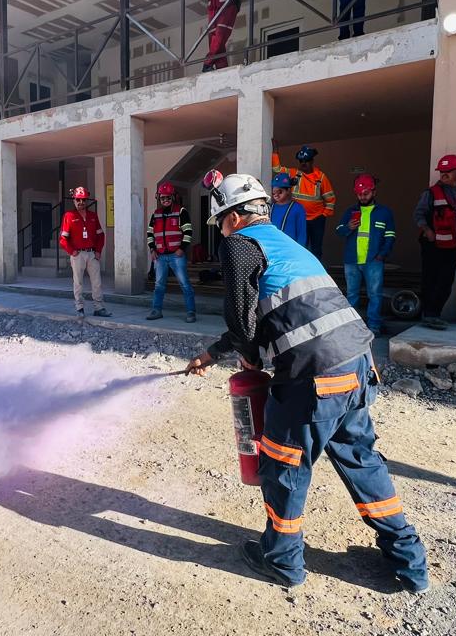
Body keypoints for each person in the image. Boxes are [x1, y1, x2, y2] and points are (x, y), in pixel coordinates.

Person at [184, 169, 429, 594]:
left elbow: (242, 322)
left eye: (220, 222)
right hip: (357, 365)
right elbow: (276, 312)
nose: (221, 230)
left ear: (234, 216)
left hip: (314, 379)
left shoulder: (239, 244)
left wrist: (248, 355)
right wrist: (212, 354)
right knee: (362, 460)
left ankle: (282, 561)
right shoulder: (285, 245)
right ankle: (410, 562)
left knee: (283, 466)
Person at [413, 154, 456, 330]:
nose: (444, 175)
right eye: (441, 171)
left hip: (453, 246)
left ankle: (434, 314)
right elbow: (418, 214)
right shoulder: (431, 193)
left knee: (446, 281)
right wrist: (427, 231)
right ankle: (429, 315)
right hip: (433, 245)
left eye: (448, 171)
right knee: (431, 279)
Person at [336, 174, 395, 334]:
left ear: (374, 192)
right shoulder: (350, 211)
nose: (362, 197)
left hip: (373, 260)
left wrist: (382, 255)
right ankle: (352, 327)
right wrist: (348, 227)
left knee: (375, 295)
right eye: (359, 194)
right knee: (352, 295)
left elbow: (390, 236)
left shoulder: (384, 212)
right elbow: (339, 231)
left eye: (366, 193)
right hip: (352, 260)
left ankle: (374, 326)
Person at [271, 145, 336, 259]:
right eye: (301, 161)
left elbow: (330, 199)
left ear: (312, 161)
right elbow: (277, 169)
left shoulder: (321, 177)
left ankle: (315, 269)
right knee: (300, 245)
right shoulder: (294, 173)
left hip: (316, 219)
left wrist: (324, 215)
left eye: (306, 160)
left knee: (316, 249)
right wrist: (275, 152)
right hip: (298, 217)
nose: (303, 163)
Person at [146, 182, 198, 323]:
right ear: (159, 198)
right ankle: (156, 310)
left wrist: (182, 248)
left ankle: (191, 312)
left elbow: (188, 232)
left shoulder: (181, 212)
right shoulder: (156, 214)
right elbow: (150, 233)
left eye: (168, 197)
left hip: (176, 255)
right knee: (159, 285)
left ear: (173, 197)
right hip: (160, 256)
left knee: (185, 284)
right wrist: (152, 249)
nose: (165, 200)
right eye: (162, 198)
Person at [59, 187, 112, 318]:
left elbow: (101, 235)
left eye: (83, 200)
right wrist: (72, 252)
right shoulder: (69, 216)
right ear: (74, 200)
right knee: (78, 282)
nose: (81, 202)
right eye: (78, 200)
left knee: (97, 282)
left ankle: (99, 307)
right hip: (78, 255)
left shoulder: (93, 216)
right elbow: (63, 239)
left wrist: (98, 251)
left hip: (92, 253)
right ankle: (80, 307)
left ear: (86, 200)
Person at [269, 172, 308, 246]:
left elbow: (301, 234)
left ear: (288, 190)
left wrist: (299, 250)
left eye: (280, 192)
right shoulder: (270, 207)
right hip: (273, 247)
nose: (276, 195)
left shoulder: (297, 209)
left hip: (290, 248)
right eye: (274, 192)